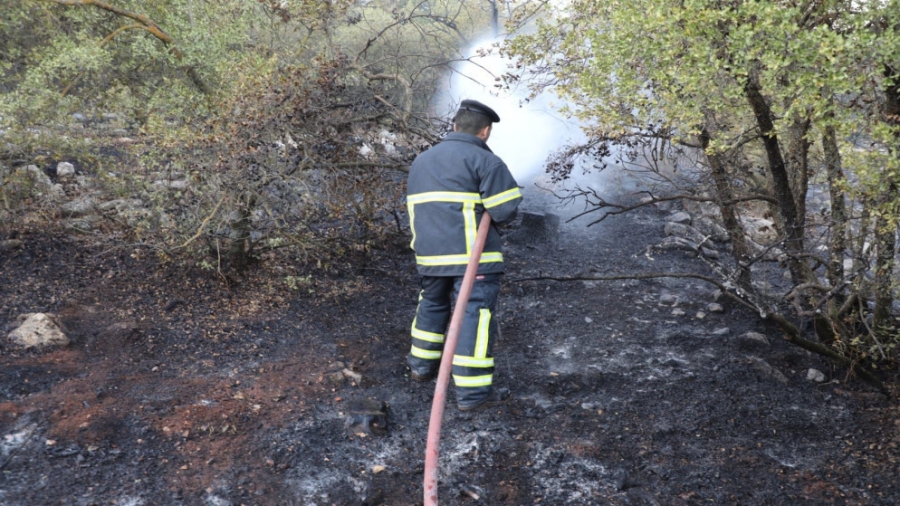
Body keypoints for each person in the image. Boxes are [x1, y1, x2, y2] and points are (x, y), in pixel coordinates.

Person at [405, 99, 523, 411]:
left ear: (454, 126)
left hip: (429, 256)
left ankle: (420, 367)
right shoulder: (486, 162)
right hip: (473, 259)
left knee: (431, 305)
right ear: (485, 132)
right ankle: (471, 393)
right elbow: (506, 210)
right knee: (474, 315)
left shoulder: (422, 160)